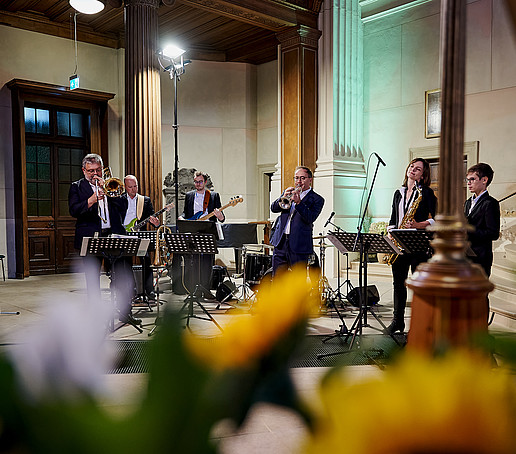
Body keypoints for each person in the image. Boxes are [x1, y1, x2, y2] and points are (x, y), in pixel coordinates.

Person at [68, 154, 139, 326]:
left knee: (122, 274)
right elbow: (74, 210)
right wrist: (92, 200)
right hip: (91, 236)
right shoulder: (76, 187)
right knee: (92, 278)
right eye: (91, 171)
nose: (95, 174)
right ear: (84, 170)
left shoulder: (110, 185)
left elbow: (123, 206)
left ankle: (125, 312)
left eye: (98, 170)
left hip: (112, 234)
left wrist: (109, 193)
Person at [385, 157, 437, 334]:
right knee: (398, 284)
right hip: (399, 242)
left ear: (423, 176)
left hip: (418, 243)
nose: (413, 170)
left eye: (418, 169)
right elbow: (393, 218)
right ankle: (397, 321)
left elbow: (437, 218)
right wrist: (391, 231)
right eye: (412, 166)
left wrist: (419, 224)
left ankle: (421, 324)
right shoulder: (398, 193)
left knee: (418, 286)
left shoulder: (426, 193)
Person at [176, 171, 225, 297]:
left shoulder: (213, 196)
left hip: (208, 229)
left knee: (207, 261)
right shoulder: (189, 196)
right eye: (196, 181)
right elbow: (186, 214)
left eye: (200, 181)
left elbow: (222, 217)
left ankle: (206, 289)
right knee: (194, 260)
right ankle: (194, 290)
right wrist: (181, 218)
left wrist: (220, 216)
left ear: (205, 182)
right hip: (193, 229)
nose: (198, 184)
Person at [270, 166, 325, 275]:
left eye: (302, 178)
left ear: (310, 179)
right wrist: (282, 197)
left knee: (298, 281)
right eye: (296, 178)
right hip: (281, 242)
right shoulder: (288, 192)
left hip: (299, 245)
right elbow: (273, 208)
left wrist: (299, 203)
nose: (298, 181)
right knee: (277, 280)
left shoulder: (317, 199)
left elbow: (310, 218)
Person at [123, 175, 160, 300]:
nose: (133, 189)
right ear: (125, 187)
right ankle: (130, 290)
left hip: (140, 234)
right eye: (130, 187)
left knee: (146, 260)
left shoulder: (144, 200)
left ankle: (149, 290)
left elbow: (153, 218)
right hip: (124, 234)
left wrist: (156, 223)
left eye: (135, 186)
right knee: (125, 263)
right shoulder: (119, 199)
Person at [464, 162, 500, 290]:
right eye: (467, 180)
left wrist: (468, 230)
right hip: (465, 256)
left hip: (480, 258)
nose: (468, 183)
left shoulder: (491, 203)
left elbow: (493, 233)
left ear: (484, 180)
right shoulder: (468, 203)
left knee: (479, 297)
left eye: (472, 179)